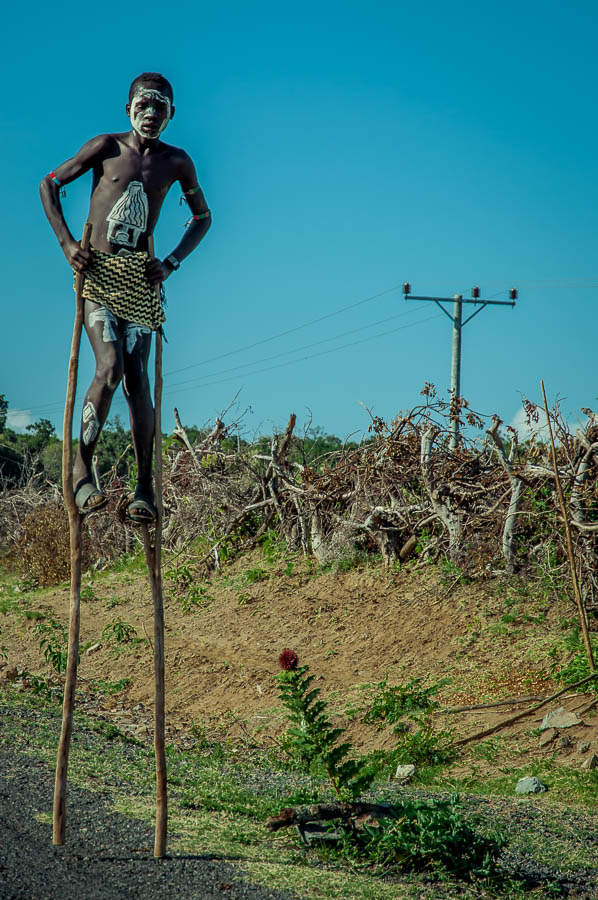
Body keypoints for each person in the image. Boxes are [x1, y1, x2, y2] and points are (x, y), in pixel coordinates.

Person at [40, 72, 211, 522]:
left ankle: (143, 491)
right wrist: (68, 246)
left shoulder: (177, 163)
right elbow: (50, 183)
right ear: (128, 109)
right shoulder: (106, 148)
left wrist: (171, 262)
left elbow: (203, 216)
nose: (151, 114)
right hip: (98, 273)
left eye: (161, 107)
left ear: (172, 114)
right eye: (144, 104)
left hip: (140, 278)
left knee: (137, 377)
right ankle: (81, 471)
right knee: (110, 366)